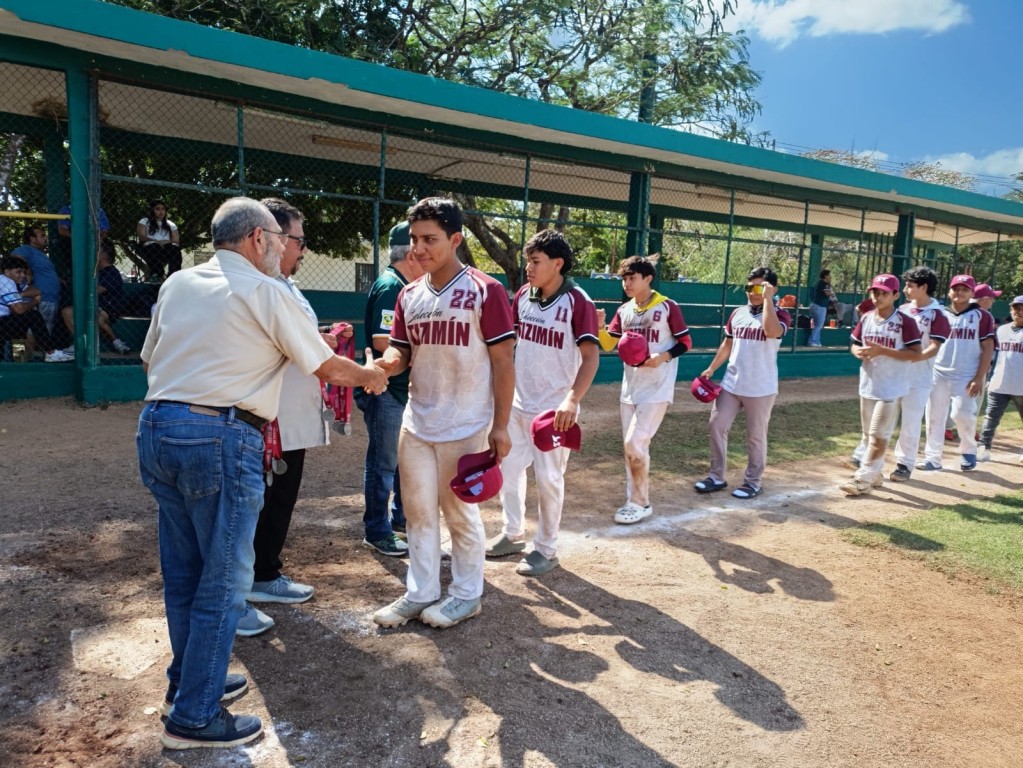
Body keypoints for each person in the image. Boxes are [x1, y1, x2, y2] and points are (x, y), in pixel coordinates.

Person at [137, 197, 387, 750]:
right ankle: (193, 719)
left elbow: (148, 358)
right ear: (256, 239)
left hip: (157, 425)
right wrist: (372, 374)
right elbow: (324, 364)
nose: (286, 248)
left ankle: (191, 681)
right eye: (280, 237)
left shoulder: (178, 283)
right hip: (220, 436)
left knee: (185, 572)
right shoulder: (266, 288)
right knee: (224, 578)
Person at [372, 197, 515, 630]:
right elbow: (400, 349)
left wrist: (502, 425)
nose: (419, 248)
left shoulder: (485, 291)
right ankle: (421, 592)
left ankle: (467, 594)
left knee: (458, 513)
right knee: (416, 511)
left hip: (466, 424)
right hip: (417, 421)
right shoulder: (409, 294)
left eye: (430, 239)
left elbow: (504, 361)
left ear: (455, 239)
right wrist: (385, 365)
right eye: (414, 239)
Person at [237, 198, 338, 637]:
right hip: (265, 421)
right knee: (248, 509)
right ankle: (236, 595)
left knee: (279, 500)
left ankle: (264, 574)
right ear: (271, 238)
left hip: (290, 417)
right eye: (297, 239)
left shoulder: (283, 285)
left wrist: (321, 337)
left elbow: (292, 340)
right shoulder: (261, 287)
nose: (301, 249)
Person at [485, 229, 599, 575]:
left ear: (557, 263)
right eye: (528, 262)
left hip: (553, 413)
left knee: (549, 479)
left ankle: (546, 550)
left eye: (535, 262)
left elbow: (591, 356)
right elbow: (509, 343)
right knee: (506, 467)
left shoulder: (579, 302)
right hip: (519, 402)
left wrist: (572, 399)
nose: (529, 268)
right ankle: (513, 533)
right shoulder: (524, 295)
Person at [599, 255, 691, 524]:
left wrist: (662, 356)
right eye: (624, 279)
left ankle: (640, 501)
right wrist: (599, 326)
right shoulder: (625, 310)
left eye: (632, 278)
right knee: (633, 448)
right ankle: (635, 499)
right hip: (631, 388)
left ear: (647, 278)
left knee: (634, 442)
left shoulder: (667, 307)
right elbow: (607, 344)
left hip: (657, 388)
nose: (627, 284)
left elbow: (685, 342)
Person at [354, 221, 423, 557]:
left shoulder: (403, 285)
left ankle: (399, 520)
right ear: (410, 253)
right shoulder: (390, 286)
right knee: (382, 464)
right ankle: (376, 529)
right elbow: (384, 344)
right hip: (386, 390)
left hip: (397, 390)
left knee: (399, 463)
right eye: (421, 247)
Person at [693, 267, 790, 500]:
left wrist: (768, 300)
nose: (752, 292)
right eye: (749, 287)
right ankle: (716, 476)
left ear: (772, 289)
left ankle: (753, 482)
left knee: (755, 435)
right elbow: (728, 344)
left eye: (759, 287)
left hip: (761, 387)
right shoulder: (737, 313)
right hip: (732, 383)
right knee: (716, 425)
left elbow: (770, 330)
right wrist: (712, 367)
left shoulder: (781, 315)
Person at [839, 274, 922, 496]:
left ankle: (863, 478)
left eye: (884, 292)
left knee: (877, 435)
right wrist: (859, 352)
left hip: (892, 388)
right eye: (875, 292)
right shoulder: (866, 318)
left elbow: (916, 353)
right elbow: (855, 345)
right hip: (868, 384)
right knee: (867, 436)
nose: (878, 296)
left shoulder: (905, 322)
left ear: (895, 295)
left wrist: (882, 351)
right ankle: (875, 474)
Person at [918, 274, 995, 472]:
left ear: (972, 293)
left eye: (965, 289)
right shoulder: (939, 314)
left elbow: (988, 347)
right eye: (956, 288)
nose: (959, 293)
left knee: (962, 414)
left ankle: (968, 449)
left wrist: (979, 377)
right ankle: (932, 458)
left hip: (967, 375)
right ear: (950, 290)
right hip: (938, 373)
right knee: (935, 416)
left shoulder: (982, 316)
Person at [887, 267, 950, 482]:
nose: (905, 289)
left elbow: (935, 347)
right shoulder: (903, 309)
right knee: (884, 418)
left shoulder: (937, 314)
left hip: (919, 377)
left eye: (910, 286)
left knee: (911, 422)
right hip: (895, 374)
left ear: (924, 288)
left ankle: (904, 464)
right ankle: (870, 459)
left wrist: (914, 357)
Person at [59, 242, 131, 354]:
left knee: (97, 316)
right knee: (66, 311)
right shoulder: (94, 272)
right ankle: (80, 343)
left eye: (97, 251)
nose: (93, 254)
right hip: (91, 305)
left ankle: (116, 342)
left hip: (109, 306)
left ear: (104, 255)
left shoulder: (112, 272)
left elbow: (96, 290)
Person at [0, 255, 73, 363]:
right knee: (32, 315)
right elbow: (19, 309)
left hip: (4, 323)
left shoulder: (12, 283)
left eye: (24, 272)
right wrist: (34, 301)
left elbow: (37, 291)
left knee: (18, 322)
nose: (23, 275)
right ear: (7, 272)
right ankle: (50, 353)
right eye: (18, 272)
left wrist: (19, 295)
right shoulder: (6, 281)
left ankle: (19, 358)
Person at [977, 295, 1023, 463]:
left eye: (1022, 309)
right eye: (1016, 308)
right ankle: (983, 447)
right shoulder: (1002, 330)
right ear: (1011, 310)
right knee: (990, 418)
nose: (1019, 312)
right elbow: (994, 356)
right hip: (1000, 382)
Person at [12, 225, 61, 332]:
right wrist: (27, 272)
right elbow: (16, 256)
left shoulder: (41, 254)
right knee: (36, 330)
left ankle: (41, 349)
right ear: (32, 239)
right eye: (42, 235)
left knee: (44, 331)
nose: (45, 237)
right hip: (41, 297)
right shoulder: (27, 249)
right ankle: (33, 349)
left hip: (51, 298)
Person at [54, 204, 109, 282]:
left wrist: (99, 237)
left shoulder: (98, 210)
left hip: (94, 240)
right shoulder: (66, 209)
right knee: (65, 242)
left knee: (105, 243)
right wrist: (78, 238)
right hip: (74, 241)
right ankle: (75, 273)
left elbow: (104, 231)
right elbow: (62, 230)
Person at [137, 199, 182, 281]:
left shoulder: (170, 224)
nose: (161, 211)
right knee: (154, 247)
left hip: (166, 247)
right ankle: (158, 275)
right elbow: (142, 238)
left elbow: (176, 241)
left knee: (175, 249)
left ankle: (174, 276)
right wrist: (157, 242)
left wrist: (165, 242)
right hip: (150, 247)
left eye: (163, 209)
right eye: (157, 209)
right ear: (152, 210)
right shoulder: (145, 221)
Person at [806, 269, 836, 347]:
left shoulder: (820, 283)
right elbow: (827, 293)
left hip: (815, 305)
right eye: (829, 275)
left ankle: (816, 341)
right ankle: (812, 341)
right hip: (819, 306)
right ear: (825, 276)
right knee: (818, 325)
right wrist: (832, 293)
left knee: (818, 325)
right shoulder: (824, 283)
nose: (830, 277)